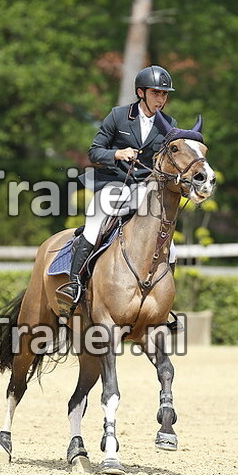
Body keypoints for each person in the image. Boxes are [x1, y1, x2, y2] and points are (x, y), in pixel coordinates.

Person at [56, 65, 180, 326]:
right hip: (113, 184)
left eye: (164, 94)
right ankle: (74, 286)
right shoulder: (119, 116)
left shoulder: (169, 125)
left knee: (172, 248)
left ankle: (165, 306)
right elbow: (94, 151)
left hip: (145, 189)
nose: (161, 99)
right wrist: (117, 154)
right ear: (140, 92)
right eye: (156, 93)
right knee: (95, 223)